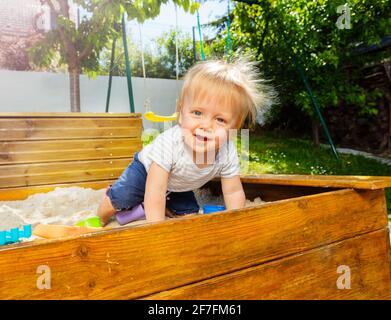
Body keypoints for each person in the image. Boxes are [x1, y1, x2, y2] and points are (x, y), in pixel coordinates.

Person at [97, 57, 273, 225]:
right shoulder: (169, 144)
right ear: (181, 112)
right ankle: (106, 206)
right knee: (123, 197)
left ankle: (145, 208)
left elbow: (233, 191)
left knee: (188, 214)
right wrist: (157, 228)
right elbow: (155, 190)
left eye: (220, 120)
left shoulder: (227, 151)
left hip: (179, 183)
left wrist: (236, 221)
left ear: (234, 127)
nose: (206, 125)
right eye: (197, 113)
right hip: (146, 171)